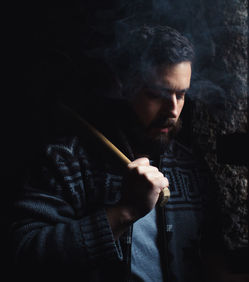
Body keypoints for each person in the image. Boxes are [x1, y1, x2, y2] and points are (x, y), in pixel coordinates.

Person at [8, 25, 222, 282]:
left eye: (181, 94)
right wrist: (126, 211)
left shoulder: (188, 164)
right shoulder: (66, 160)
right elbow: (22, 253)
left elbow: (212, 253)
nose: (173, 110)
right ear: (125, 87)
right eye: (157, 94)